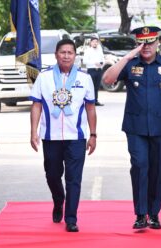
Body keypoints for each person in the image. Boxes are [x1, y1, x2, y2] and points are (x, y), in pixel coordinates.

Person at [102, 26, 161, 230]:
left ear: (158, 42)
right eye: (142, 42)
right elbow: (107, 79)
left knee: (157, 170)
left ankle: (154, 213)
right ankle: (141, 214)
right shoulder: (130, 64)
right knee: (140, 166)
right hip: (136, 127)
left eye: (150, 42)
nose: (146, 46)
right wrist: (127, 56)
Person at [30, 39, 97, 232]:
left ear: (75, 55)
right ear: (56, 55)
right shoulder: (44, 77)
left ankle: (71, 218)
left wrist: (93, 134)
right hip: (51, 137)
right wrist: (33, 131)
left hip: (76, 136)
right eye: (63, 52)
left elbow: (91, 108)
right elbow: (36, 105)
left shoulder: (84, 78)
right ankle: (59, 201)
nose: (66, 56)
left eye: (70, 52)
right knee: (52, 175)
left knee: (74, 178)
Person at [83, 36, 104, 106]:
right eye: (93, 42)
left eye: (96, 42)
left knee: (97, 86)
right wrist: (94, 63)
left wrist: (101, 63)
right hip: (91, 70)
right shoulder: (88, 51)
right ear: (91, 43)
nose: (95, 43)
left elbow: (103, 60)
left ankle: (96, 100)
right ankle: (90, 101)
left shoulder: (100, 51)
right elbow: (85, 61)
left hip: (99, 70)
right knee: (91, 86)